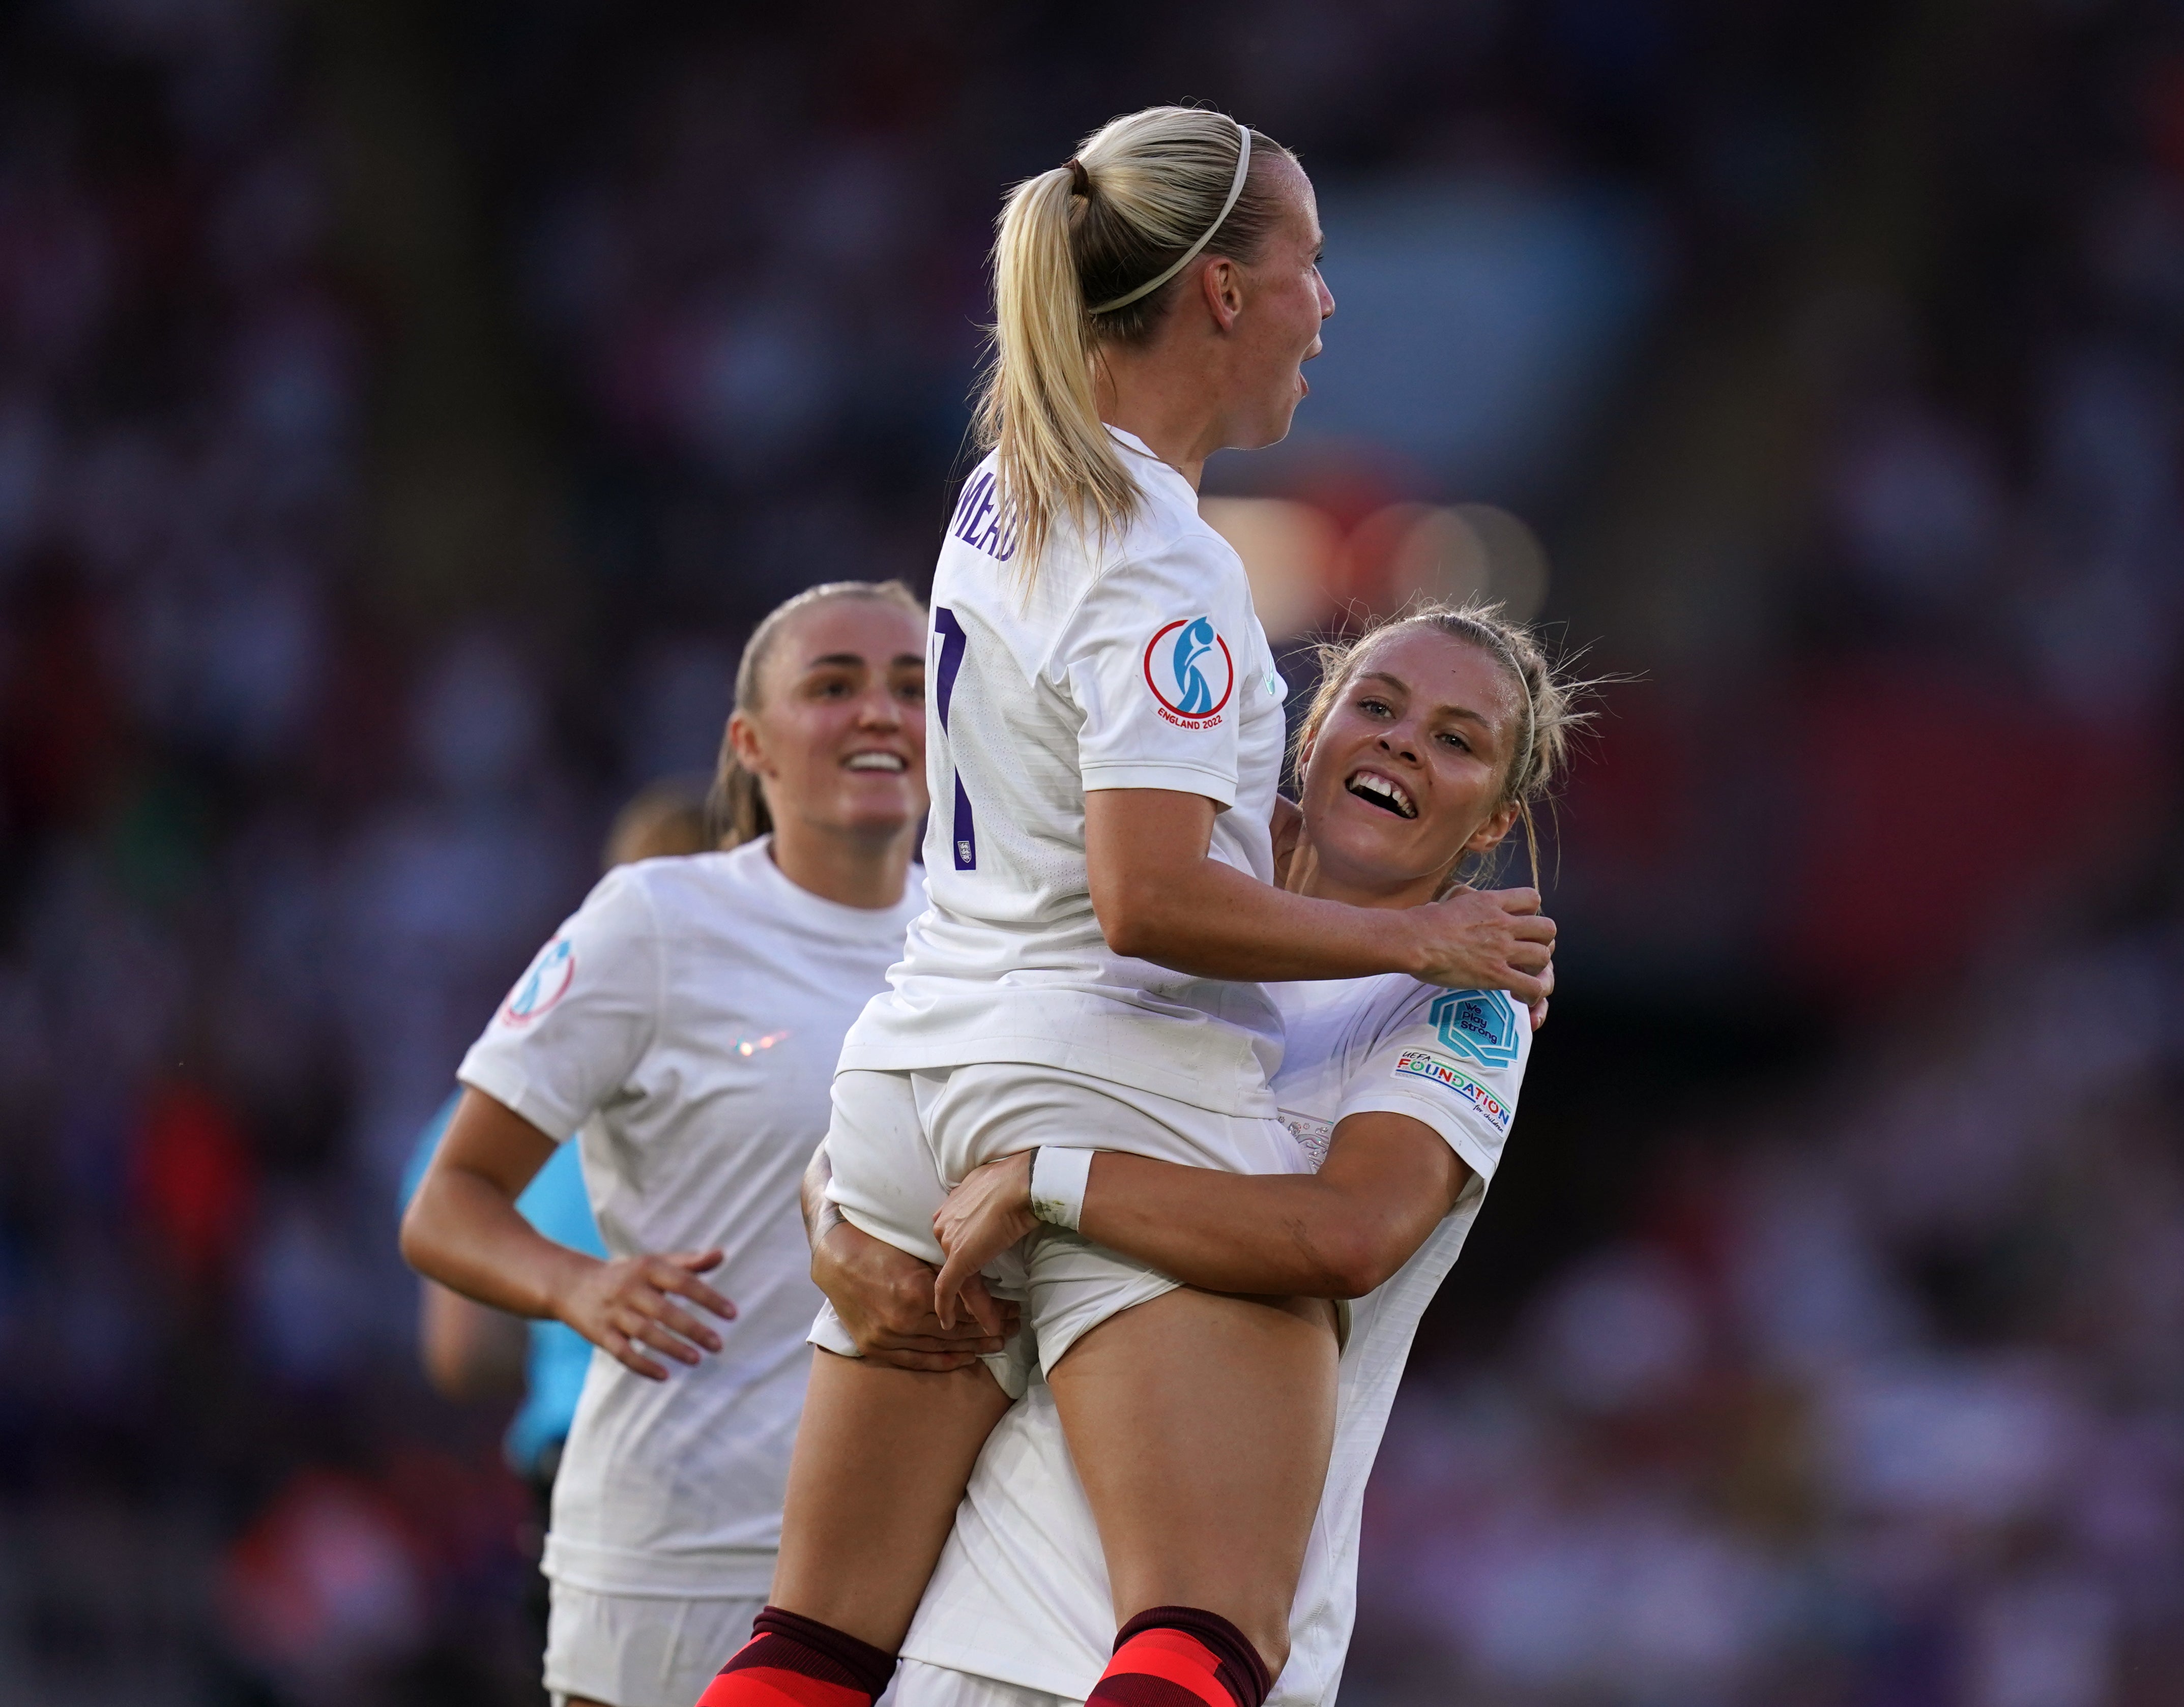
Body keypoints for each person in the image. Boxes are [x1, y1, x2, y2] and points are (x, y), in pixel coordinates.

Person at [698, 108, 1555, 1707]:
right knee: (1216, 1629)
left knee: (809, 1640)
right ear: (1222, 294)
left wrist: (869, 1193)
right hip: (1086, 1064)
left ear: (1497, 810)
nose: (1326, 303)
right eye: (1309, 264)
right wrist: (1417, 931)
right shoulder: (1177, 571)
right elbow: (1147, 899)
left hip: (918, 1074)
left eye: (1454, 743)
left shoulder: (1001, 491)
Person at [825, 606, 1587, 1707]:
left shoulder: (1467, 1006)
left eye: (1457, 740)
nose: (1404, 742)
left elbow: (1349, 1232)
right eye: (1374, 707)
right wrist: (833, 1231)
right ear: (1310, 731)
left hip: (1208, 1628)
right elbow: (905, 1085)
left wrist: (1050, 1182)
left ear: (1489, 825)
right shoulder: (1138, 902)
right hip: (988, 1594)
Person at [401, 581, 966, 1707]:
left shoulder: (983, 934)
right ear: (748, 744)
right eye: (833, 684)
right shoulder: (655, 921)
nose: (879, 714)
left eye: (912, 687)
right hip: (679, 1549)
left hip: (919, 1561)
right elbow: (447, 1201)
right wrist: (577, 1284)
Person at [396, 784, 712, 1641]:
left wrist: (569, 1318)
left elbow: (462, 1351)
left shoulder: (488, 1117)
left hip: (579, 1478)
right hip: (755, 1473)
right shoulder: (781, 1082)